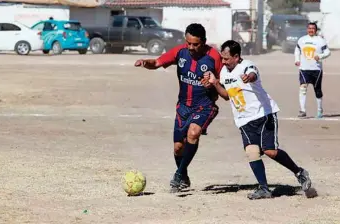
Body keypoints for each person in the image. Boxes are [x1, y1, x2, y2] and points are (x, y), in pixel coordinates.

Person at [202, 40, 312, 200]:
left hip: (263, 114)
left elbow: (252, 74)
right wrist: (215, 83)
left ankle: (299, 172)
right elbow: (227, 96)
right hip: (243, 120)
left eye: (226, 58)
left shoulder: (247, 65)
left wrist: (249, 77)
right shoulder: (224, 72)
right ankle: (264, 188)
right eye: (222, 58)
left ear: (236, 56)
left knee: (270, 151)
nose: (223, 61)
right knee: (252, 152)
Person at [134, 23, 222, 193]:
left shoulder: (214, 57)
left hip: (204, 105)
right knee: (178, 147)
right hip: (183, 106)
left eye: (195, 44)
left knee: (193, 133)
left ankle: (178, 174)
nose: (191, 47)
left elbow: (223, 80)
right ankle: (184, 176)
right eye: (188, 43)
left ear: (203, 42)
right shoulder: (180, 52)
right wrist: (146, 62)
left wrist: (213, 84)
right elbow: (158, 62)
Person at [294, 22, 331, 118]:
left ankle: (319, 109)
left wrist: (320, 56)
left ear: (316, 30)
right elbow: (297, 50)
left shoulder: (320, 40)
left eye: (313, 28)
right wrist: (297, 60)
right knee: (303, 88)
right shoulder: (302, 40)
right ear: (307, 29)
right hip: (304, 69)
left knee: (317, 90)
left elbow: (327, 52)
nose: (311, 30)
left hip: (316, 69)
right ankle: (302, 110)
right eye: (309, 28)